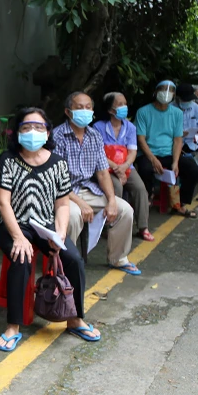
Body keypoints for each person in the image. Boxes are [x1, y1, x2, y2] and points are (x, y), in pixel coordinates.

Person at [0, 107, 97, 353]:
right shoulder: (8, 160)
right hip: (12, 223)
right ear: (18, 132)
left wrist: (60, 234)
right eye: (26, 127)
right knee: (22, 257)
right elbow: (3, 203)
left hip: (44, 223)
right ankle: (13, 326)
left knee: (73, 259)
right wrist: (18, 237)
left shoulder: (58, 163)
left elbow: (62, 204)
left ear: (47, 132)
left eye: (38, 127)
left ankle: (75, 319)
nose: (32, 132)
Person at [51, 92, 140, 274]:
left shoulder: (94, 136)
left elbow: (102, 173)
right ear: (68, 112)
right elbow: (57, 179)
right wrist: (80, 203)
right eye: (79, 107)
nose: (85, 111)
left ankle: (118, 258)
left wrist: (112, 200)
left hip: (88, 189)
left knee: (125, 210)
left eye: (88, 107)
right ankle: (65, 263)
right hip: (63, 193)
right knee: (73, 215)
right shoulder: (57, 136)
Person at [134, 80, 198, 219]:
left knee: (193, 170)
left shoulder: (176, 113)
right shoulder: (143, 112)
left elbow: (178, 139)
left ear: (174, 95)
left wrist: (175, 162)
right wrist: (153, 159)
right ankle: (148, 196)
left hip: (169, 153)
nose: (166, 93)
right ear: (155, 92)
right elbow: (141, 139)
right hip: (148, 154)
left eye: (170, 90)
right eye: (163, 89)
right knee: (145, 169)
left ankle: (180, 204)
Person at [94, 92, 154, 241]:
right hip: (105, 167)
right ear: (110, 110)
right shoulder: (98, 127)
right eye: (120, 104)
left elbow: (133, 151)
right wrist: (116, 168)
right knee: (116, 187)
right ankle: (111, 226)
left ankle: (143, 227)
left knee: (140, 189)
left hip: (126, 166)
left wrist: (124, 166)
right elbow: (98, 152)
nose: (124, 107)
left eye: (125, 104)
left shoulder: (130, 127)